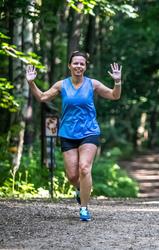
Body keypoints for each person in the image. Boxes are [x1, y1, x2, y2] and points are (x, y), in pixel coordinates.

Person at [26, 51, 122, 221]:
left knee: (84, 167)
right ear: (69, 65)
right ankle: (80, 189)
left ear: (85, 66)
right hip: (68, 133)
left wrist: (117, 81)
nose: (79, 66)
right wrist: (31, 82)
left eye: (82, 64)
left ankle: (84, 207)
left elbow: (115, 95)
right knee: (72, 176)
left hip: (89, 132)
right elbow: (42, 97)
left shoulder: (92, 84)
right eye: (75, 63)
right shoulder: (62, 85)